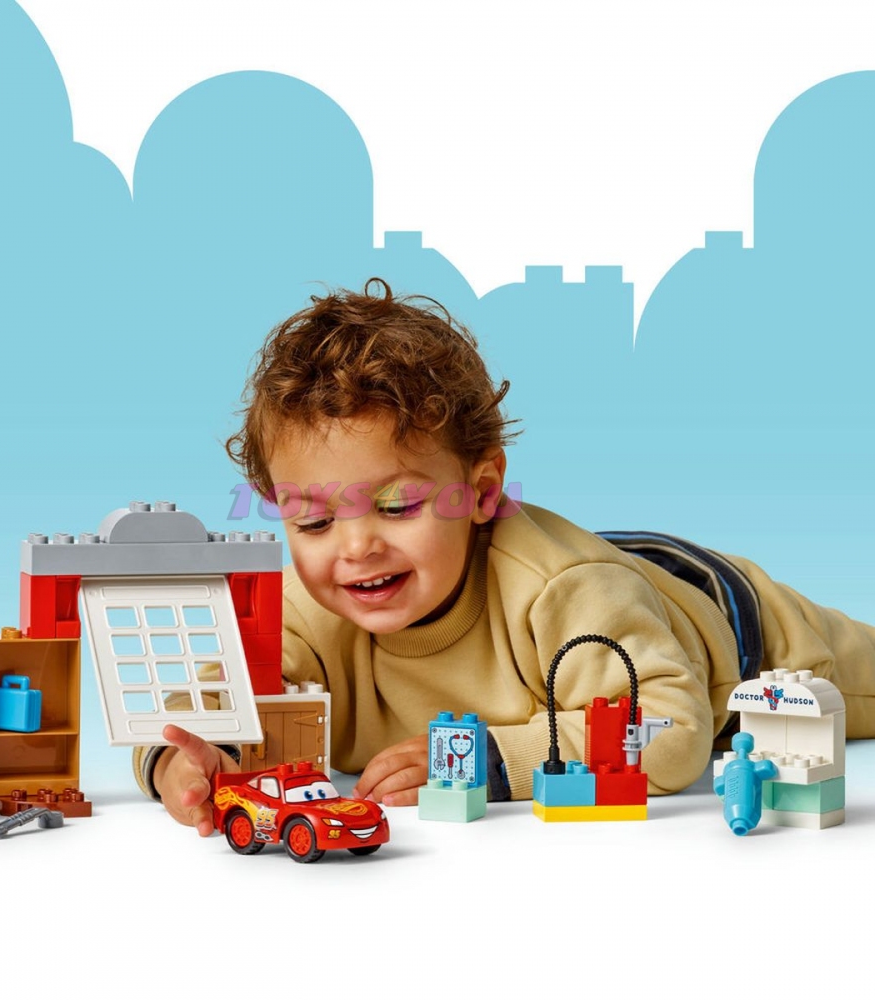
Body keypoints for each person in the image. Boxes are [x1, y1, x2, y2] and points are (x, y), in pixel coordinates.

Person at [134, 278, 875, 835]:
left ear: (482, 491)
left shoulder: (565, 592)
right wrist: (177, 760)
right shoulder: (307, 610)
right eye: (315, 519)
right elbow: (202, 700)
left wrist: (480, 761)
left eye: (398, 506)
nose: (355, 547)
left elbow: (674, 733)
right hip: (605, 586)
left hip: (738, 626)